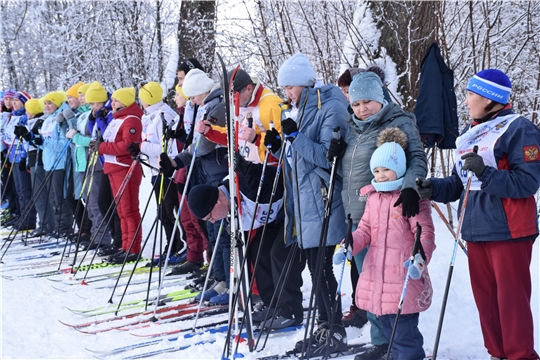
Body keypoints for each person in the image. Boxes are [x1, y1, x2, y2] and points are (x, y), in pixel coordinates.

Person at [415, 69, 540, 360]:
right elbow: (461, 183)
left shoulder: (519, 129)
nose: (467, 100)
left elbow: (528, 182)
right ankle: (497, 353)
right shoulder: (473, 132)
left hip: (509, 228)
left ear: (489, 98)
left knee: (511, 302)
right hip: (475, 227)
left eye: (471, 94)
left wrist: (487, 173)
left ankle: (521, 355)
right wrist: (432, 188)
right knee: (487, 301)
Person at [328, 70, 428, 359]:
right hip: (360, 215)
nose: (361, 109)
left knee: (391, 285)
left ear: (380, 98)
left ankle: (397, 344)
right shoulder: (351, 126)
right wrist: (334, 154)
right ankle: (382, 342)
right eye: (356, 104)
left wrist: (410, 188)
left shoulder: (399, 121)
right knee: (370, 284)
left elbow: (416, 158)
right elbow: (347, 171)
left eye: (367, 102)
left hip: (391, 216)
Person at [196, 68, 304, 329]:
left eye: (236, 97)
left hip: (272, 183)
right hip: (249, 180)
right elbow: (235, 140)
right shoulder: (242, 107)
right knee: (257, 250)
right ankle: (269, 301)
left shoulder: (270, 104)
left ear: (247, 89)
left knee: (273, 250)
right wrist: (211, 133)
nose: (235, 103)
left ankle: (286, 305)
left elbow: (287, 145)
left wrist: (258, 139)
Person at [264, 53, 349, 355]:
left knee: (322, 267)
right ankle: (326, 325)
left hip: (323, 198)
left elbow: (329, 156)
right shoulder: (301, 108)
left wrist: (296, 137)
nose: (286, 93)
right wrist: (278, 147)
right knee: (316, 268)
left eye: (289, 87)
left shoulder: (330, 105)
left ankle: (334, 328)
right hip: (304, 202)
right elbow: (296, 160)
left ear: (303, 83)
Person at [348, 127, 435, 360]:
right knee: (387, 326)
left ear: (398, 169)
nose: (381, 175)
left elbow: (424, 232)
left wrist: (421, 257)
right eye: (376, 170)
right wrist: (351, 242)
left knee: (404, 333)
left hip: (402, 276)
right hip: (377, 275)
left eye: (386, 169)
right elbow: (365, 230)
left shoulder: (410, 197)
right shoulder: (373, 197)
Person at [127, 81, 184, 264]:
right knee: (162, 213)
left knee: (169, 211)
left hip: (166, 172)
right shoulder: (149, 116)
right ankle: (171, 245)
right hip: (154, 171)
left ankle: (179, 247)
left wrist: (142, 146)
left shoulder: (163, 116)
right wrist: (139, 149)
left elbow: (164, 148)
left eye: (142, 97)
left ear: (147, 99)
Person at [91, 87, 143, 264]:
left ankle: (133, 249)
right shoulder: (116, 119)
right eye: (112, 99)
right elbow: (109, 140)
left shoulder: (131, 119)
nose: (112, 103)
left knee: (129, 209)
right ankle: (125, 246)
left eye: (116, 100)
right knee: (121, 210)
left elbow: (126, 146)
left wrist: (101, 148)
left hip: (125, 167)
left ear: (126, 101)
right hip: (113, 168)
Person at [67, 82, 112, 251]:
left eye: (82, 95)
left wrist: (76, 137)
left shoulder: (92, 114)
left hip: (93, 161)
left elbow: (92, 140)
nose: (80, 98)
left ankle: (102, 237)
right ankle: (95, 234)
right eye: (78, 95)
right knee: (87, 200)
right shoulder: (81, 115)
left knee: (94, 201)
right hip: (82, 161)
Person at [22, 99, 55, 237]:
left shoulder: (41, 121)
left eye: (28, 110)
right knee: (38, 194)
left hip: (39, 159)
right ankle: (45, 223)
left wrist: (28, 136)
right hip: (33, 158)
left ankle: (46, 224)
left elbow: (39, 141)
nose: (26, 112)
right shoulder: (31, 122)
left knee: (40, 194)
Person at [7, 91, 36, 231]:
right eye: (13, 101)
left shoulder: (26, 116)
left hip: (23, 156)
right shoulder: (13, 117)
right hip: (14, 156)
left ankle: (29, 218)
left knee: (25, 190)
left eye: (17, 101)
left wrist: (25, 156)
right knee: (19, 190)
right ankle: (22, 216)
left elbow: (27, 139)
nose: (14, 103)